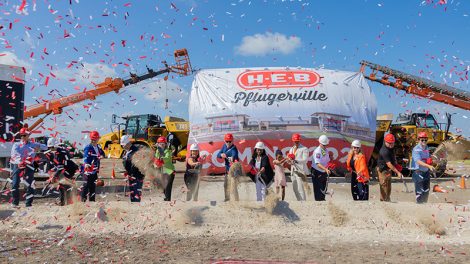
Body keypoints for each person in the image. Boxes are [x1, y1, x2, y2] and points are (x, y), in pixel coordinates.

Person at [9, 128, 48, 208]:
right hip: (18, 165)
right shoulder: (16, 145)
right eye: (21, 135)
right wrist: (21, 161)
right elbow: (14, 155)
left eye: (24, 135)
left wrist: (38, 148)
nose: (22, 137)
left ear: (28, 135)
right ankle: (15, 203)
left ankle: (28, 204)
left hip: (29, 165)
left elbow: (46, 147)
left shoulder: (33, 144)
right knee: (15, 184)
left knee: (30, 184)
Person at [45, 137, 78, 205]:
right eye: (49, 147)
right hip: (65, 169)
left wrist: (54, 176)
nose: (50, 149)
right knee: (61, 185)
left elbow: (60, 167)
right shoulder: (58, 151)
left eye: (52, 147)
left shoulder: (60, 153)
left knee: (65, 185)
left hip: (69, 169)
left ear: (55, 145)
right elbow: (58, 165)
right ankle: (63, 201)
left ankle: (67, 201)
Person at [377, 134, 403, 202]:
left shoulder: (391, 148)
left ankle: (387, 199)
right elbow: (389, 164)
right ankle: (383, 201)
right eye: (389, 143)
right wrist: (397, 172)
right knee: (384, 186)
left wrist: (396, 165)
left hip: (388, 170)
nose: (391, 145)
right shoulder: (384, 151)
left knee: (388, 186)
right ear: (385, 142)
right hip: (383, 171)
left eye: (392, 143)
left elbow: (393, 158)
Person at [410, 132, 435, 203]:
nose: (424, 141)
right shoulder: (416, 149)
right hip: (418, 173)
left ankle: (425, 205)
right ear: (418, 139)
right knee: (419, 191)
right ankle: (420, 207)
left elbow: (428, 158)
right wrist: (428, 166)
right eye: (422, 140)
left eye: (425, 140)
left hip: (426, 172)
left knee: (426, 190)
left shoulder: (427, 148)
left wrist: (431, 160)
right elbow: (418, 161)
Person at [81, 131, 105, 202]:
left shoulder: (98, 146)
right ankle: (83, 202)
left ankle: (92, 203)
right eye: (96, 138)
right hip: (87, 171)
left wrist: (102, 156)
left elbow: (103, 153)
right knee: (86, 187)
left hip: (94, 171)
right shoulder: (88, 147)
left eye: (97, 138)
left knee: (93, 187)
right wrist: (86, 164)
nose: (97, 140)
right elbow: (85, 156)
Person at [121, 135, 145, 202]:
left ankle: (136, 207)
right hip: (131, 175)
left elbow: (135, 165)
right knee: (132, 194)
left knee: (136, 194)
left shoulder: (135, 151)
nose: (123, 146)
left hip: (137, 176)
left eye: (124, 145)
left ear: (128, 144)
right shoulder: (127, 151)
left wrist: (129, 172)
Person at [217, 133, 239, 201]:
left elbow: (234, 156)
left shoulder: (234, 149)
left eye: (230, 141)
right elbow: (218, 155)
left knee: (233, 187)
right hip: (227, 170)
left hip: (234, 171)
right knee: (226, 185)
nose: (228, 143)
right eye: (227, 141)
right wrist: (221, 155)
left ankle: (236, 200)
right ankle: (227, 198)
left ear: (233, 141)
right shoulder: (224, 146)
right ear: (224, 141)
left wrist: (231, 158)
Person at [287, 133, 309, 201]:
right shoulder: (291, 149)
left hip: (300, 171)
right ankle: (299, 201)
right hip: (293, 171)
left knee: (300, 188)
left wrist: (295, 160)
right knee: (295, 188)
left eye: (297, 141)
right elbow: (290, 160)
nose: (296, 142)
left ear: (300, 140)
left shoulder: (304, 149)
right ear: (293, 141)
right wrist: (289, 161)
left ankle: (303, 202)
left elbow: (305, 160)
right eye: (295, 141)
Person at [154, 136, 176, 201]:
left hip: (170, 171)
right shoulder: (157, 151)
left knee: (168, 186)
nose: (162, 145)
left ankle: (167, 199)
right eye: (160, 144)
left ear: (166, 144)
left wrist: (161, 159)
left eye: (163, 144)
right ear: (158, 144)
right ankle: (165, 198)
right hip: (162, 171)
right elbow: (156, 159)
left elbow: (167, 158)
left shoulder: (168, 151)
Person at [311, 135, 331, 201]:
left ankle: (322, 199)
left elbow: (327, 160)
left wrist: (329, 166)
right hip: (317, 171)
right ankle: (318, 201)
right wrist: (325, 169)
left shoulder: (326, 150)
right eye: (324, 145)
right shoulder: (317, 151)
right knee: (318, 188)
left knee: (323, 187)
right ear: (320, 143)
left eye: (326, 145)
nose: (325, 146)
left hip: (323, 171)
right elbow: (318, 164)